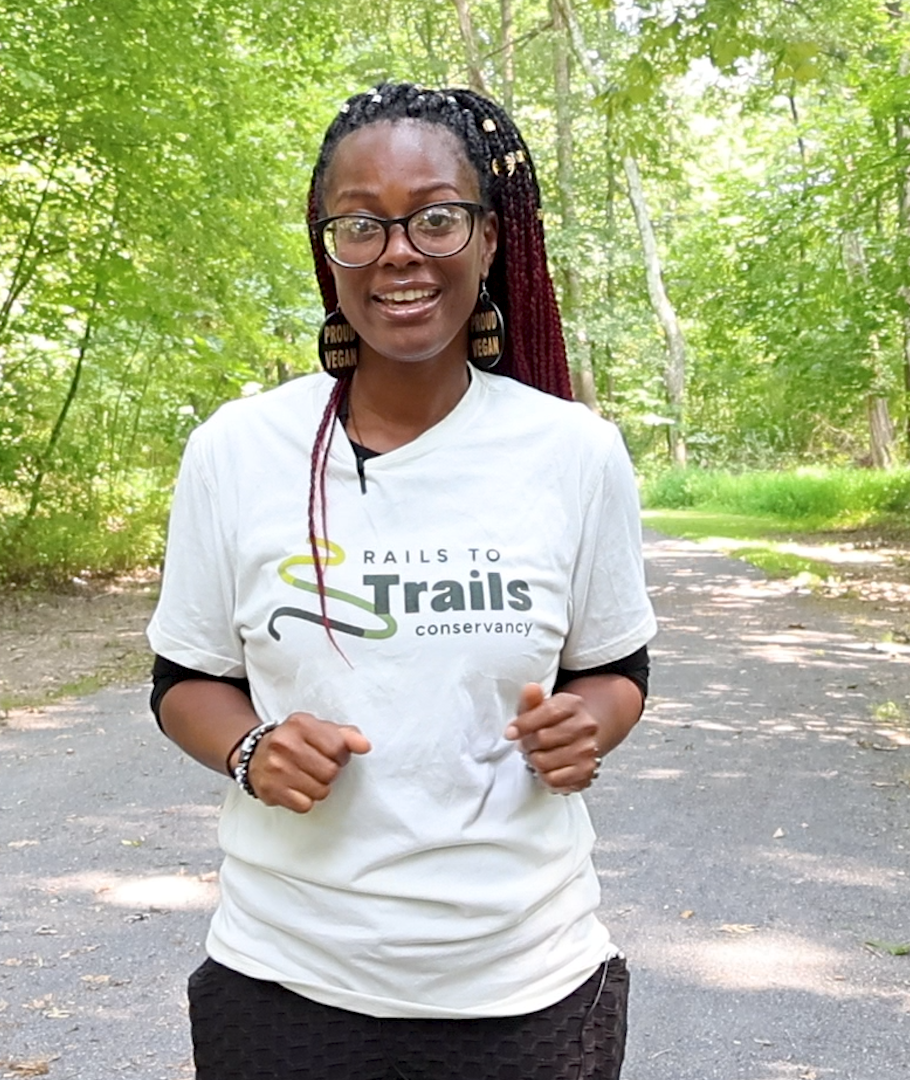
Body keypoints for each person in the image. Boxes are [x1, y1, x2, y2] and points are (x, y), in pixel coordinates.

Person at [145, 82, 658, 1080]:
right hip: (288, 983)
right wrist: (251, 747)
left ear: (490, 238)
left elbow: (616, 666)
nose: (399, 252)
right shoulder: (239, 450)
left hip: (528, 983)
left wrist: (589, 723)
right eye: (361, 225)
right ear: (327, 247)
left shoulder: (576, 452)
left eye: (434, 217)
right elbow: (182, 683)